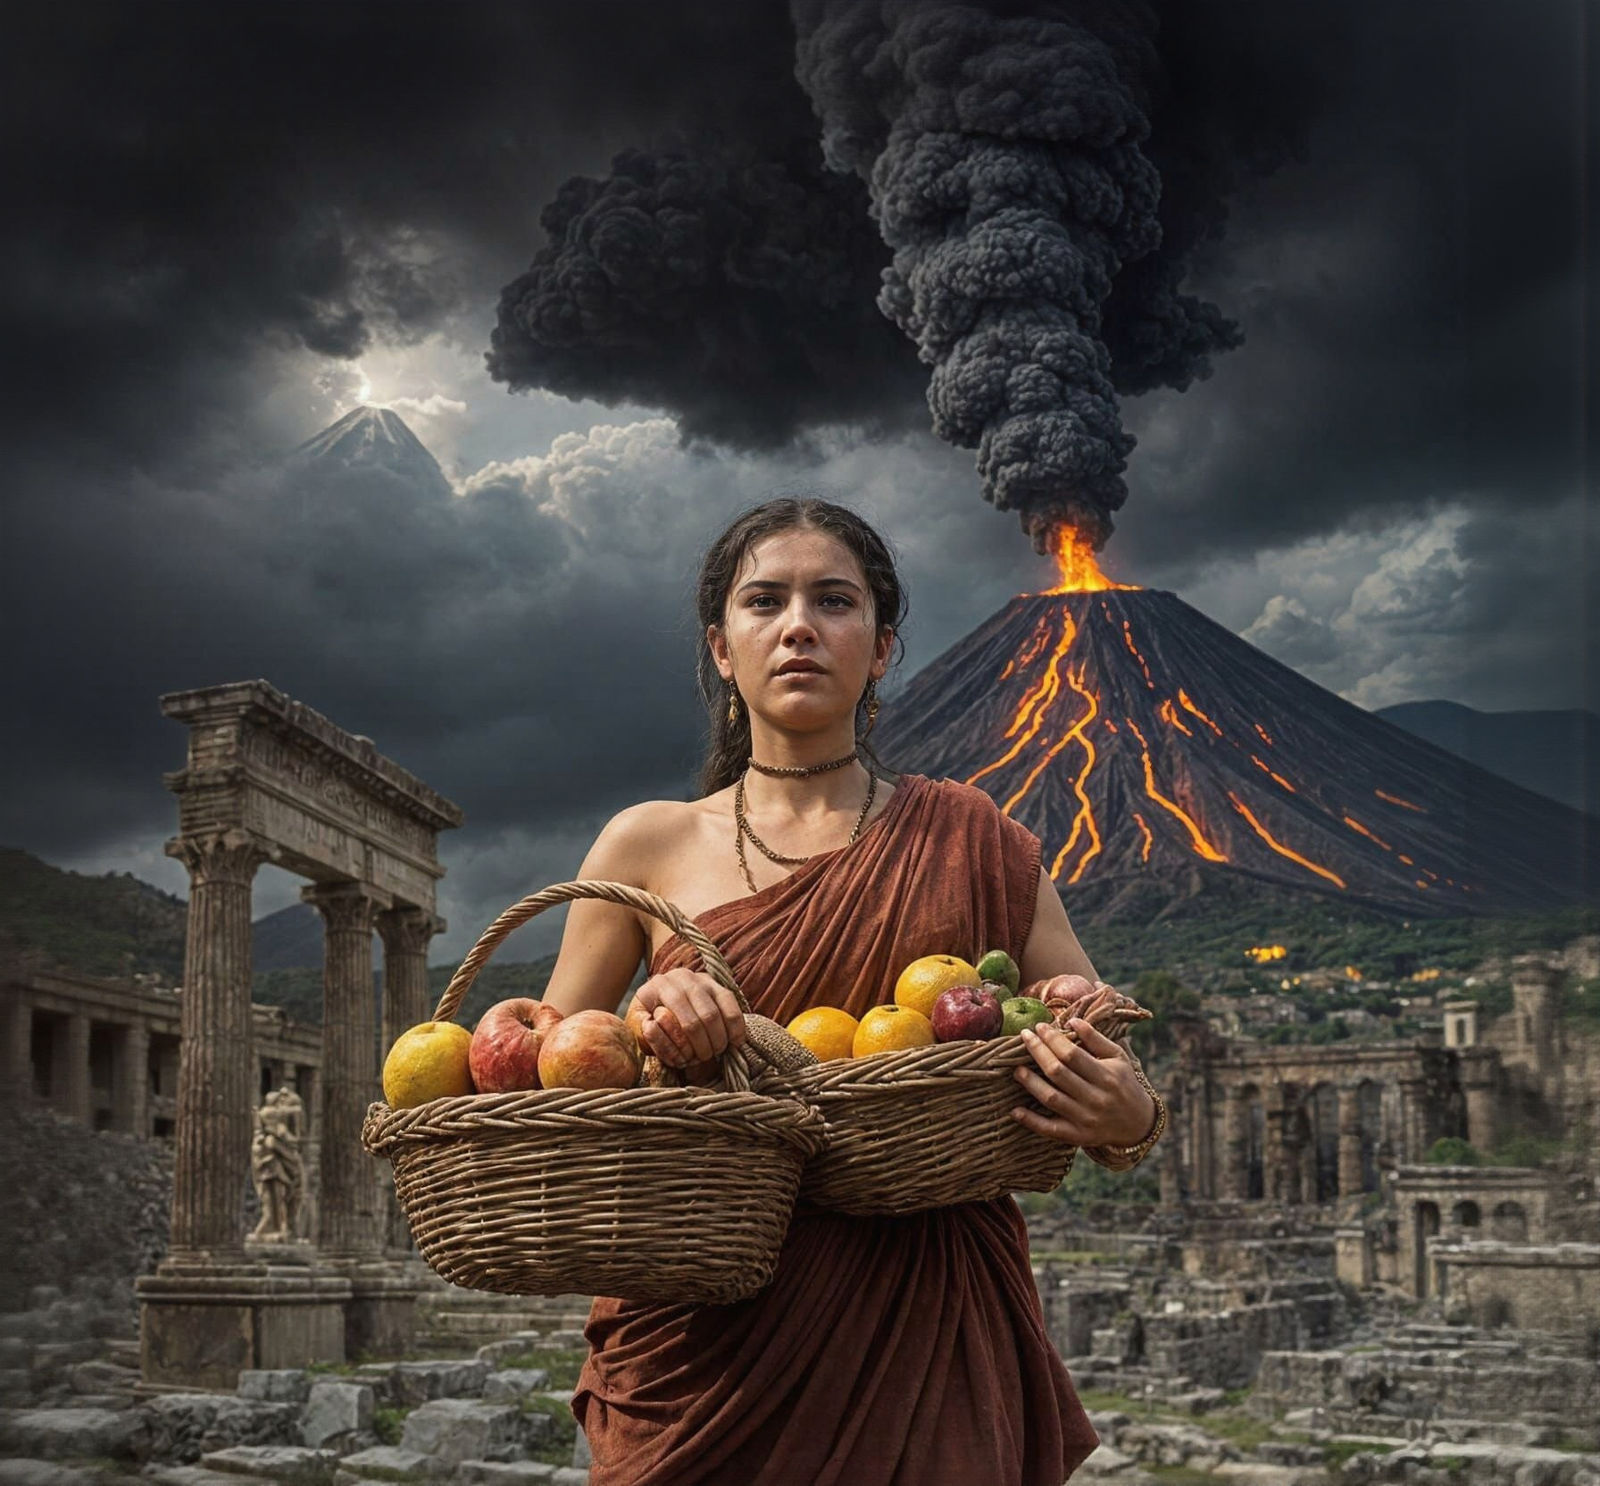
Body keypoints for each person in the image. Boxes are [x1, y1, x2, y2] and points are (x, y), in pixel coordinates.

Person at [541, 497, 1166, 1486]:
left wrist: (1128, 1118)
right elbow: (546, 1078)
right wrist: (647, 1030)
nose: (798, 624)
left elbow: (1087, 1044)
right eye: (765, 600)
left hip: (928, 1321)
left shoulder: (971, 835)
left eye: (833, 600)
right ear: (720, 645)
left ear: (880, 648)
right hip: (703, 1340)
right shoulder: (643, 844)